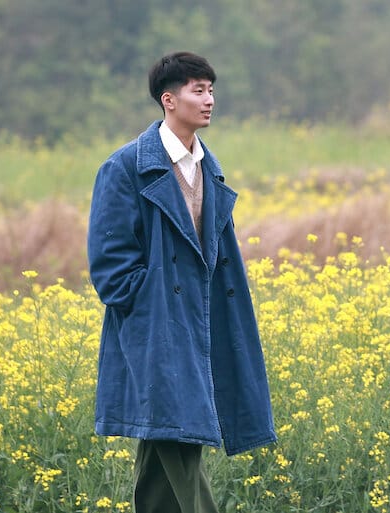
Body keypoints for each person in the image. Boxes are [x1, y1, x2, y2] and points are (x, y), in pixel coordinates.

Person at [86, 51, 276, 513]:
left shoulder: (209, 168)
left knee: (164, 449)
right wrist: (150, 306)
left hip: (205, 323)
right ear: (168, 100)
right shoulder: (126, 167)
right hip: (158, 330)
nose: (209, 99)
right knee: (177, 438)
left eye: (211, 89)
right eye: (198, 90)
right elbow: (109, 264)